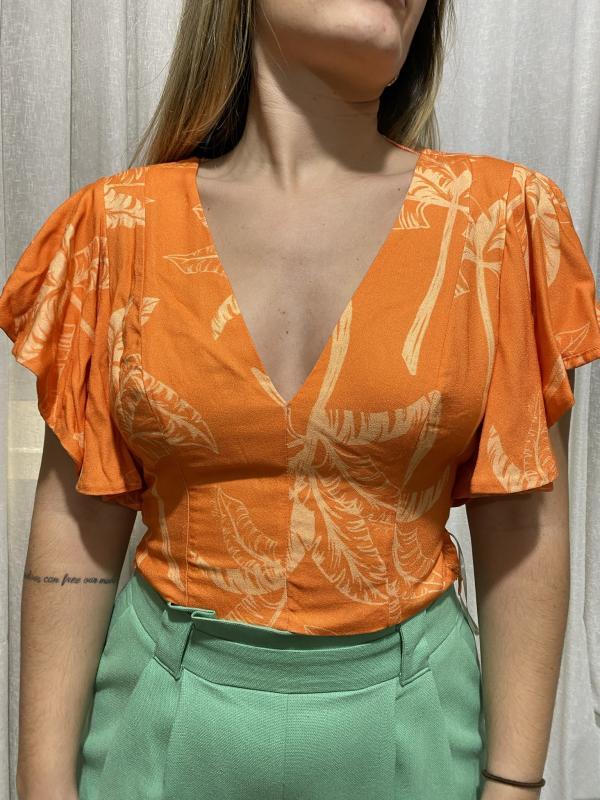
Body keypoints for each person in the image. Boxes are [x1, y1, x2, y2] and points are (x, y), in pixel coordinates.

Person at [3, 1, 600, 798]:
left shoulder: (498, 224)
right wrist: (43, 783)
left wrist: (513, 785)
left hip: (415, 728)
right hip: (158, 722)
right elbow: (80, 523)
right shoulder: (117, 229)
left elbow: (524, 518)